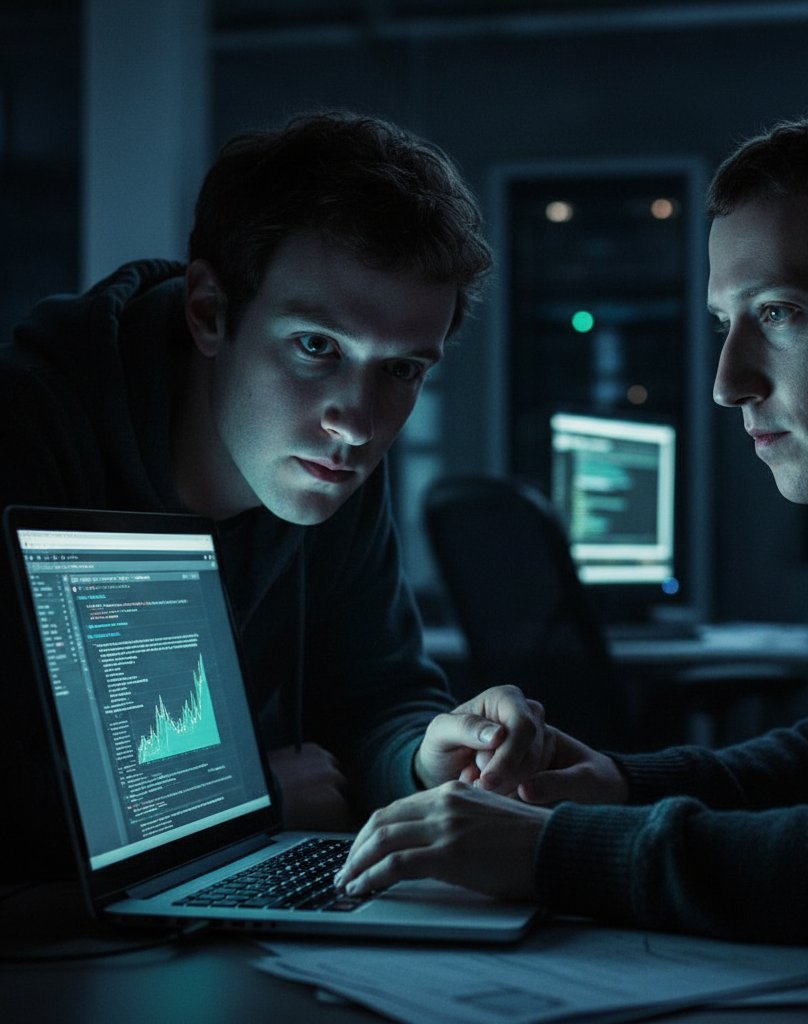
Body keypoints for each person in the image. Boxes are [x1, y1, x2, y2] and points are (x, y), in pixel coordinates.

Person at [333, 103, 808, 1021]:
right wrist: (614, 784)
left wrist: (557, 852)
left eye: (778, 313)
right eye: (725, 323)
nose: (728, 380)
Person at [0, 109, 548, 878]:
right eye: (316, 347)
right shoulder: (26, 438)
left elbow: (374, 698)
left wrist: (422, 758)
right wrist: (244, 795)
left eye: (402, 369)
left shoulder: (325, 458)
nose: (356, 422)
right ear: (209, 311)